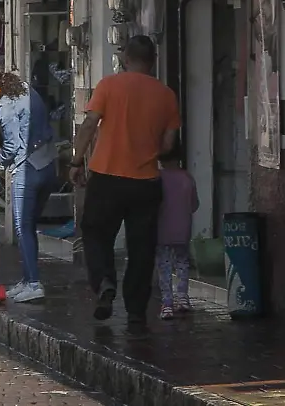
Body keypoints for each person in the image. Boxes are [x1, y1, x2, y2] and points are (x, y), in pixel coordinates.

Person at [70, 36, 181, 325]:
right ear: (153, 61)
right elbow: (169, 144)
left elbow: (90, 124)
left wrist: (75, 160)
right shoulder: (166, 95)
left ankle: (105, 282)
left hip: (107, 177)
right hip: (146, 181)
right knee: (142, 247)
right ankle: (135, 311)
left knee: (95, 233)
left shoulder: (109, 85)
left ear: (125, 58)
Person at [0, 64, 59, 303]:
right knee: (29, 227)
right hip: (49, 163)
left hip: (27, 170)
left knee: (22, 227)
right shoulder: (25, 89)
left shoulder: (5, 105)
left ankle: (33, 284)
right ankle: (27, 278)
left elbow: (12, 146)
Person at [156, 140, 198, 320]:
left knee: (164, 266)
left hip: (162, 230)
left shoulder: (157, 178)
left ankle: (167, 304)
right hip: (183, 229)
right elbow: (194, 205)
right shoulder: (187, 178)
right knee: (182, 262)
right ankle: (183, 298)